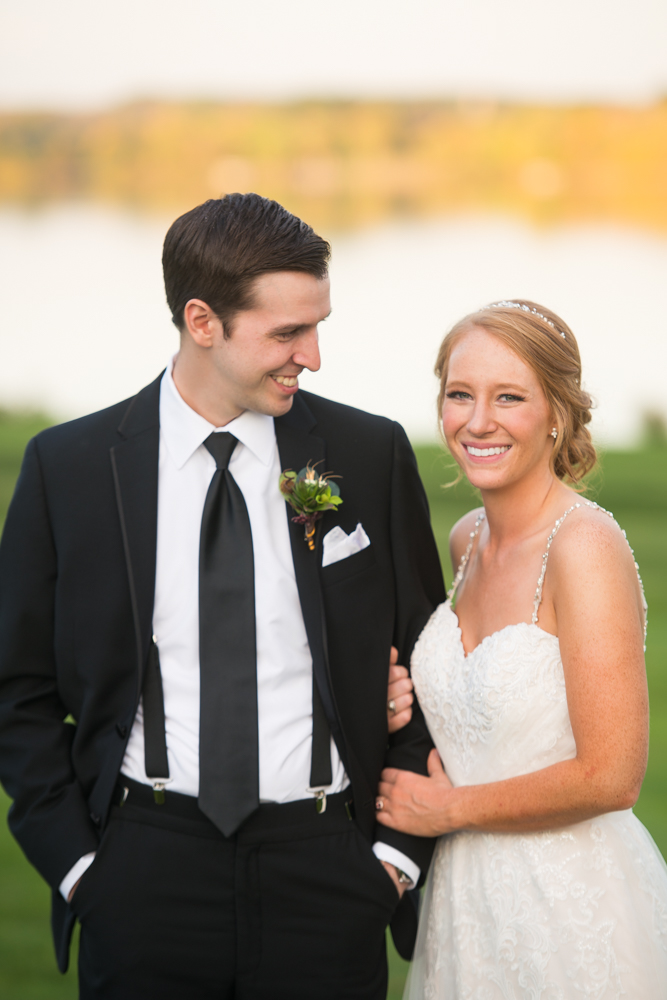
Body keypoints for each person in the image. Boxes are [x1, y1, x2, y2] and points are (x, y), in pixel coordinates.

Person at [0, 193, 446, 1000]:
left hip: (327, 872)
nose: (311, 357)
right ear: (201, 320)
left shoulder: (366, 453)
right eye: (285, 333)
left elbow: (432, 662)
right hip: (141, 870)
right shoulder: (67, 468)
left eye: (317, 326)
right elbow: (18, 690)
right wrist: (78, 869)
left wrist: (390, 863)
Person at [378, 300, 667, 998]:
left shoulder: (583, 547)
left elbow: (610, 776)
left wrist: (443, 811)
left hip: (567, 903)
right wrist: (394, 699)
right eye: (459, 394)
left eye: (509, 397)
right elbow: (475, 706)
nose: (478, 422)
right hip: (463, 904)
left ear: (556, 413)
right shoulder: (466, 540)